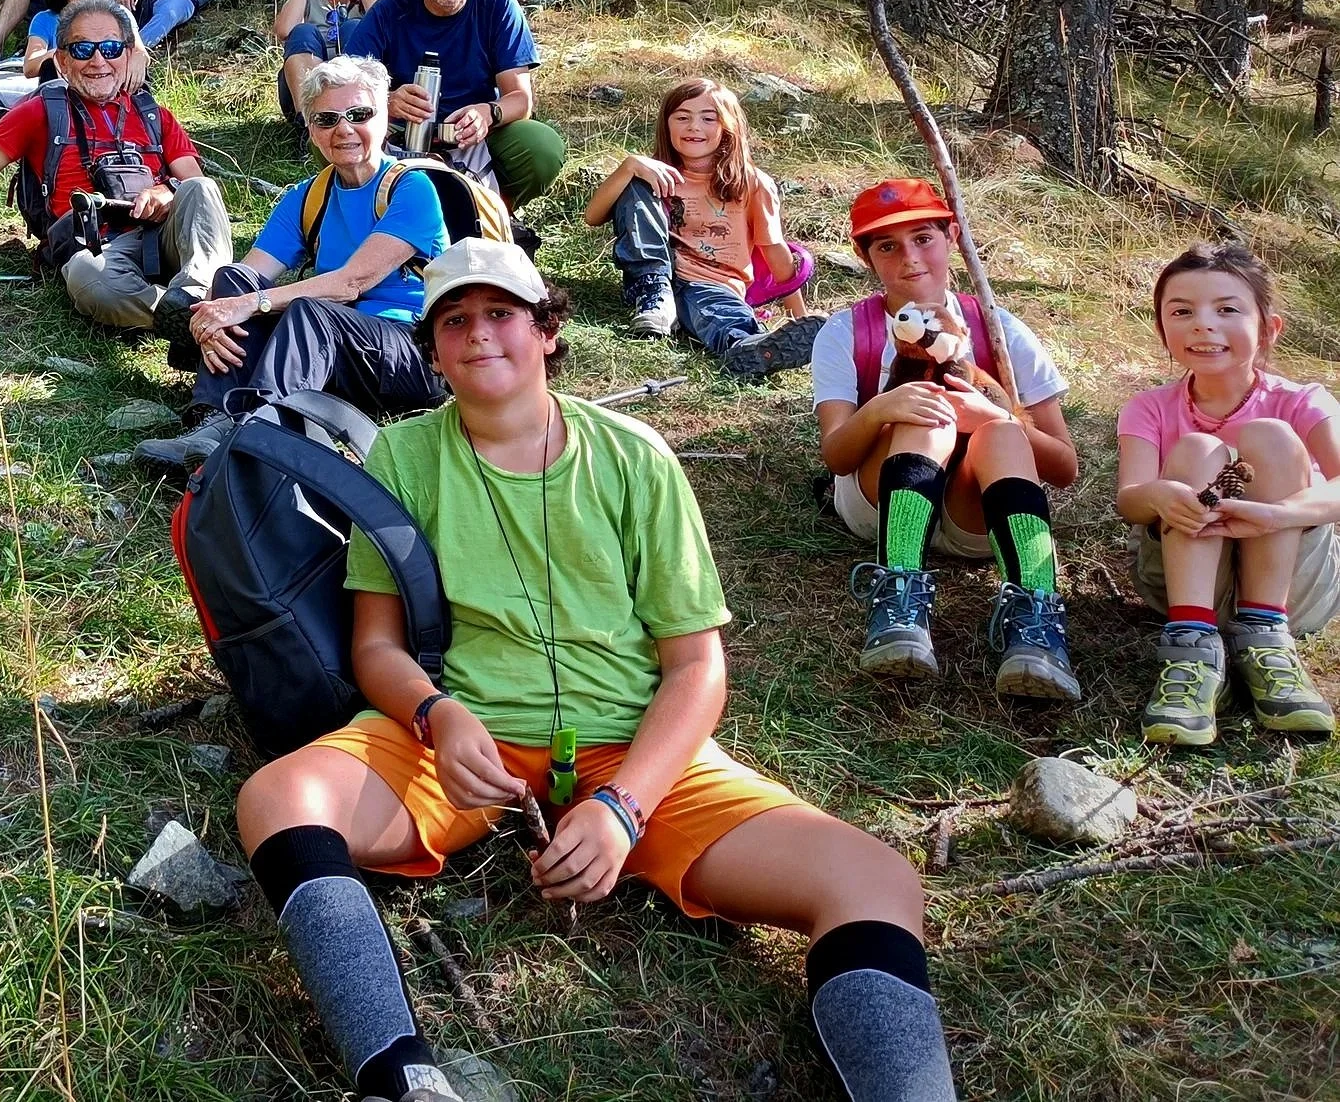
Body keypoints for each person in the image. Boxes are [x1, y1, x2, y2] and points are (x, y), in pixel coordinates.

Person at [237, 236, 955, 1102]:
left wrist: (623, 808)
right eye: (453, 320)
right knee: (279, 798)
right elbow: (376, 645)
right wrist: (437, 714)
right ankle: (399, 1076)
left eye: (500, 313)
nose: (478, 334)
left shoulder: (634, 454)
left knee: (873, 880)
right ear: (431, 347)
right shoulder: (401, 455)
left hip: (629, 751)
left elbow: (695, 666)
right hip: (463, 747)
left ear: (546, 331)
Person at [811, 179, 1080, 699]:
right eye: (887, 246)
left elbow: (1065, 466)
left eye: (923, 238)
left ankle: (1036, 620)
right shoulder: (846, 332)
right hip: (879, 503)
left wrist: (993, 413)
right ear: (864, 256)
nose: (910, 258)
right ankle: (898, 597)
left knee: (1001, 432)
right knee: (924, 412)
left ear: (952, 236)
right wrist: (881, 409)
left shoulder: (1001, 330)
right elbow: (836, 453)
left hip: (976, 511)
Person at [135, 57, 447, 473]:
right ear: (312, 130)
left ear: (385, 117)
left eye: (359, 114)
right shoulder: (307, 196)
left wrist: (249, 306)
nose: (343, 129)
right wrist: (217, 312)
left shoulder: (412, 188)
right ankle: (210, 421)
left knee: (308, 310)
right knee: (232, 279)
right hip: (332, 349)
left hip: (413, 351)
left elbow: (350, 284)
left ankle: (251, 434)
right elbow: (248, 276)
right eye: (326, 119)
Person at [1116, 241, 1338, 745]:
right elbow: (1128, 498)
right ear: (1162, 329)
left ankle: (1267, 642)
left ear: (1269, 329)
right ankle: (1191, 649)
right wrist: (1160, 494)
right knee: (1195, 449)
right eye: (1181, 311)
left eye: (1227, 309)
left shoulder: (1301, 400)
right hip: (1185, 587)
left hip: (1292, 589)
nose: (1203, 324)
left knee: (1272, 437)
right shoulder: (1148, 408)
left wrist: (1278, 516)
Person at [0, 0, 231, 330]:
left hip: (162, 237)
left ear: (129, 55)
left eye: (112, 48)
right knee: (91, 281)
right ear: (62, 60)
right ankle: (196, 321)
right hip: (95, 250)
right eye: (83, 50)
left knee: (202, 188)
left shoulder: (154, 115)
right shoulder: (39, 113)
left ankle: (193, 295)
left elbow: (195, 190)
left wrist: (166, 191)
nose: (98, 60)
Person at [581, 78, 820, 381]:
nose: (694, 126)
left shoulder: (753, 184)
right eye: (682, 117)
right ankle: (655, 295)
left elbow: (776, 255)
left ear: (728, 128)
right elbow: (592, 216)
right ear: (667, 125)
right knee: (636, 185)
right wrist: (629, 166)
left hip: (713, 284)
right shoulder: (653, 173)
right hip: (654, 279)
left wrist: (800, 316)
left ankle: (749, 348)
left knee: (719, 314)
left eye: (708, 118)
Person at [340, 0, 565, 222]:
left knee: (541, 147)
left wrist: (488, 112)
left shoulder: (497, 6)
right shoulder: (389, 12)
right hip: (401, 134)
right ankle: (375, 211)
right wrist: (387, 101)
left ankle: (490, 211)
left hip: (473, 135)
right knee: (334, 136)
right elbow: (343, 89)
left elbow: (520, 99)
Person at [273, 0, 385, 130]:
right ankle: (308, 128)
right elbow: (283, 31)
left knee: (353, 27)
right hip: (305, 99)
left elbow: (388, 25)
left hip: (361, 97)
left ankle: (354, 116)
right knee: (303, 31)